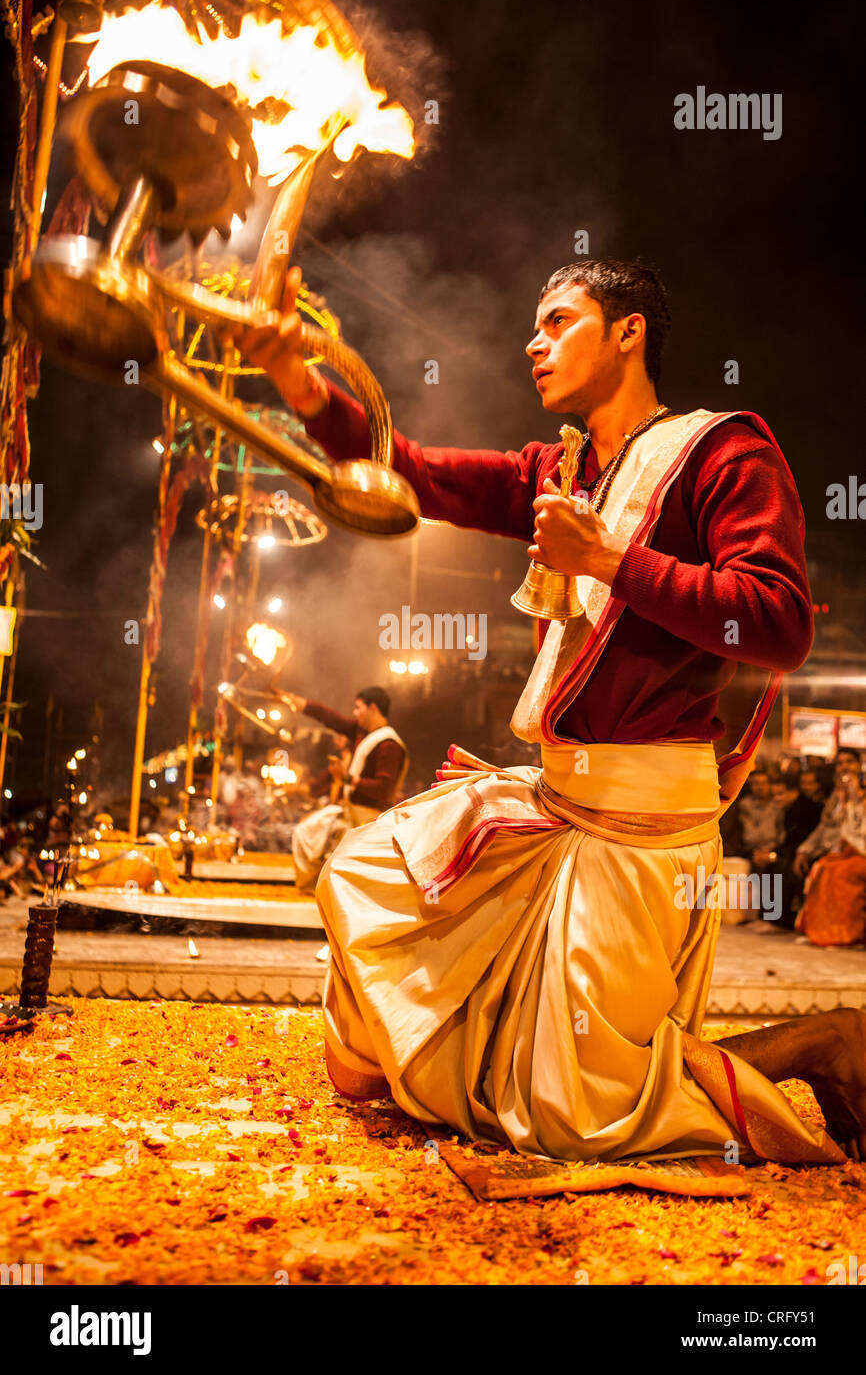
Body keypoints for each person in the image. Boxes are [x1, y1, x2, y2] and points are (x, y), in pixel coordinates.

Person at [240, 258, 865, 1164]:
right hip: (555, 801)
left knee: (579, 1121)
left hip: (646, 824)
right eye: (532, 326)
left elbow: (776, 625)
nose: (533, 343)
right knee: (364, 889)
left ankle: (825, 1041)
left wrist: (612, 560)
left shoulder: (723, 450)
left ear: (629, 332)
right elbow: (408, 472)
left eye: (559, 321)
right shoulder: (556, 470)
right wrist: (298, 380)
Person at [280, 687, 408, 893]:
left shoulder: (389, 745)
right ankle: (316, 891)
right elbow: (333, 719)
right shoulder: (363, 733)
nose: (354, 713)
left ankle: (325, 894)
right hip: (349, 811)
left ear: (373, 708)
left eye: (358, 708)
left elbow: (383, 789)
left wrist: (347, 778)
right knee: (305, 832)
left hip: (368, 818)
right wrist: (301, 703)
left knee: (320, 842)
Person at [793, 748, 863, 882]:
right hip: (827, 853)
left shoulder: (862, 795)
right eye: (840, 763)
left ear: (859, 765)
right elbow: (824, 826)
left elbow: (856, 830)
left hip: (852, 855)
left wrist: (852, 798)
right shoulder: (834, 796)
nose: (845, 767)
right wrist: (803, 851)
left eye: (849, 762)